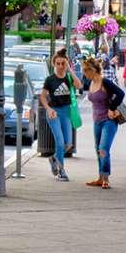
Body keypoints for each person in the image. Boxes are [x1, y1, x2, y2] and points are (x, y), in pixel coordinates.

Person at [83, 57, 125, 189]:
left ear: (93, 70)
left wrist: (112, 108)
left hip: (109, 121)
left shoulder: (105, 82)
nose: (84, 73)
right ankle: (100, 177)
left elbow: (120, 93)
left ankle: (106, 178)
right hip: (97, 121)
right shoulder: (90, 83)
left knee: (103, 149)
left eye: (85, 70)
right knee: (98, 150)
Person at [41, 49, 82, 182]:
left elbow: (79, 85)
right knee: (59, 142)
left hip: (66, 112)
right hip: (54, 112)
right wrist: (48, 109)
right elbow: (42, 97)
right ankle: (61, 171)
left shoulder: (69, 78)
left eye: (62, 63)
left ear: (66, 64)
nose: (60, 66)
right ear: (54, 64)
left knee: (68, 145)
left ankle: (54, 158)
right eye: (57, 64)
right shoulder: (50, 80)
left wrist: (70, 71)